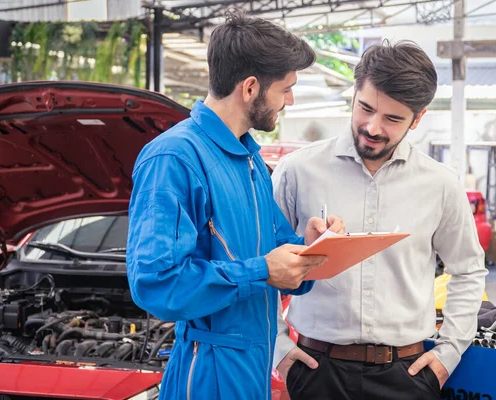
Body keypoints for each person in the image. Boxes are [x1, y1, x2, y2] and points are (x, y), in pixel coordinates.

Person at [126, 11, 344, 400]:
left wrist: (310, 246)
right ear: (250, 88)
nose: (290, 100)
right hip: (206, 374)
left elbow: (275, 254)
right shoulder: (174, 159)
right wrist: (261, 272)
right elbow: (156, 284)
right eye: (286, 89)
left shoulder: (249, 160)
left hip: (251, 371)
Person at [272, 40, 488, 400]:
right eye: (365, 108)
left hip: (409, 376)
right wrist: (279, 351)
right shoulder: (297, 171)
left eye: (392, 118)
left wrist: (448, 354)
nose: (372, 127)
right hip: (314, 372)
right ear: (354, 94)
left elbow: (468, 271)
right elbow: (260, 262)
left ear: (418, 118)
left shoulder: (440, 185)